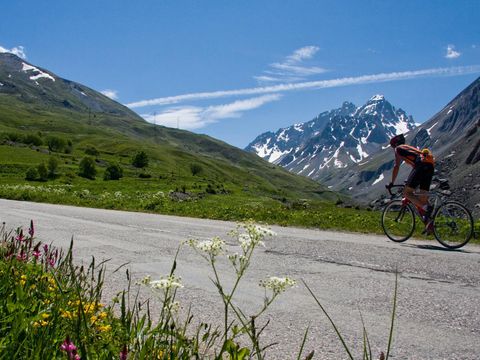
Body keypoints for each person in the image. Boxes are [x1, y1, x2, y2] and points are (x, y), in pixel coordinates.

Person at [387, 134, 435, 232]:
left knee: (407, 193)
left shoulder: (398, 148)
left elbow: (396, 166)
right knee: (422, 198)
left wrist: (392, 182)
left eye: (393, 146)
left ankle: (427, 208)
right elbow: (414, 170)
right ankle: (430, 225)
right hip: (429, 165)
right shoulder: (409, 148)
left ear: (395, 144)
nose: (393, 149)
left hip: (421, 166)